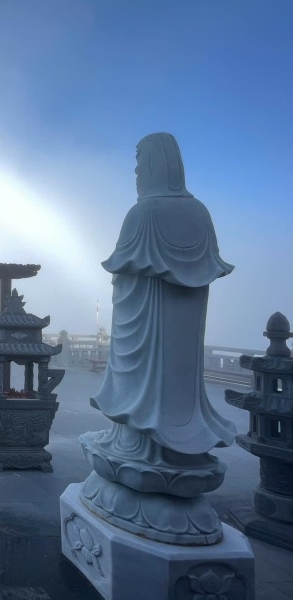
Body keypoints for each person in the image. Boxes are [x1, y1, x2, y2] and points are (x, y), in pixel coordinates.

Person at [91, 132, 236, 455]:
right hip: (183, 340)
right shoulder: (200, 213)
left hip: (148, 339)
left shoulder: (143, 214)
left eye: (141, 165)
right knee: (179, 387)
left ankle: (135, 444)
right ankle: (184, 448)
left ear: (157, 167)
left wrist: (124, 286)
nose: (137, 174)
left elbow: (124, 281)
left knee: (144, 399)